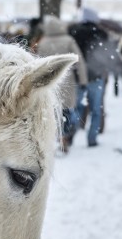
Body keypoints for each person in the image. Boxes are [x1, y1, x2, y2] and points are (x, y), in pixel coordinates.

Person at [36, 15, 88, 153]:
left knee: (53, 111)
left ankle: (56, 136)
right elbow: (79, 60)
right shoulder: (68, 40)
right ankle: (65, 136)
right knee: (67, 111)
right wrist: (83, 80)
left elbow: (38, 63)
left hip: (50, 82)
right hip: (67, 81)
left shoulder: (43, 42)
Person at [68, 7, 109, 147]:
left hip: (79, 76)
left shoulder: (73, 32)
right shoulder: (101, 33)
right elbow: (106, 55)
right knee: (96, 110)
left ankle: (71, 132)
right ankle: (92, 138)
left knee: (75, 107)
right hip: (97, 76)